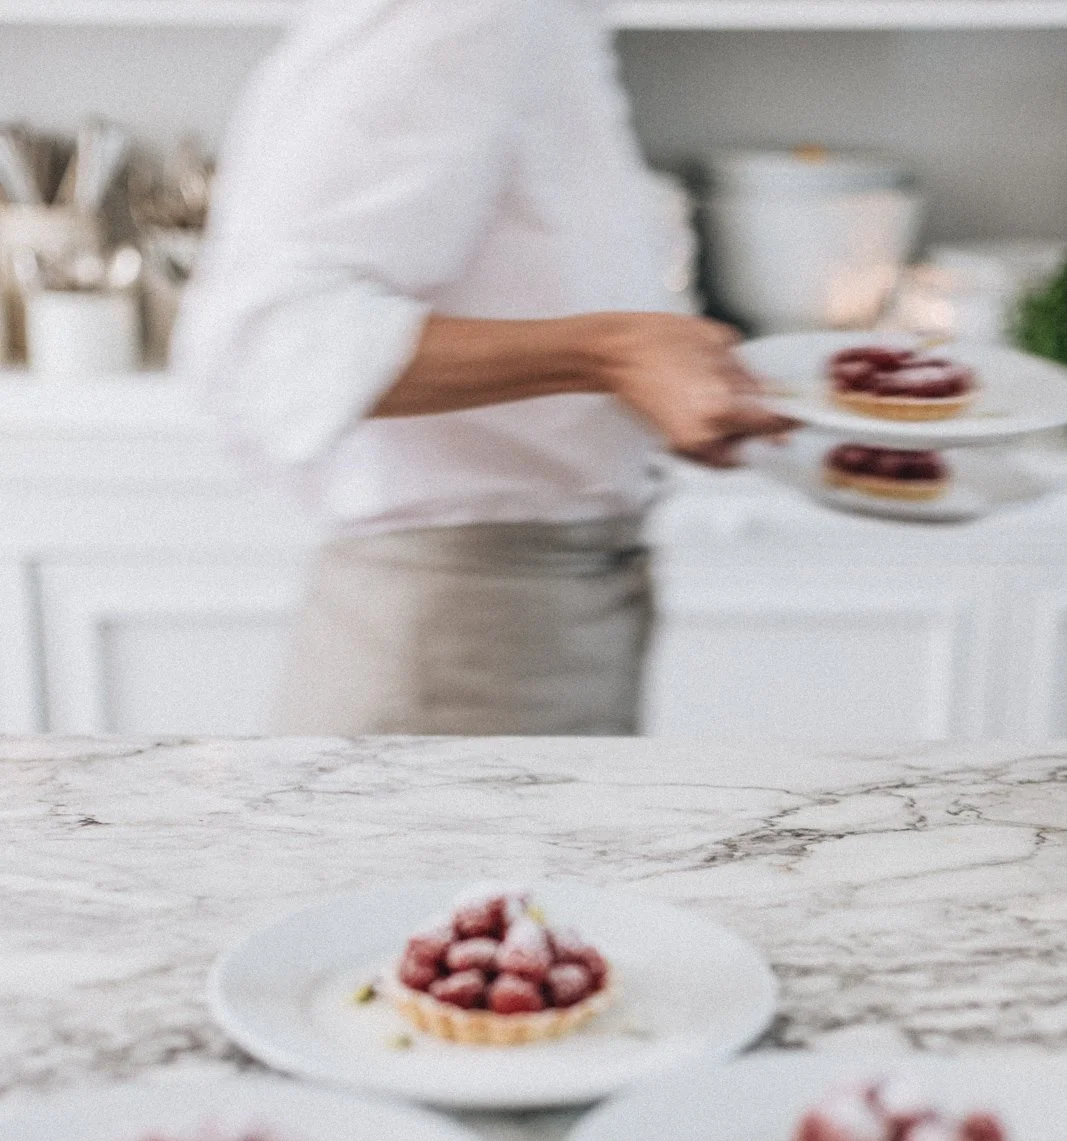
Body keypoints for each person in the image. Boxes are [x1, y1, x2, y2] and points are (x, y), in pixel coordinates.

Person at [177, 0, 788, 737]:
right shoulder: (464, 14)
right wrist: (611, 352)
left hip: (543, 604)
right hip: (461, 631)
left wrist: (654, 389)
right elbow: (273, 341)